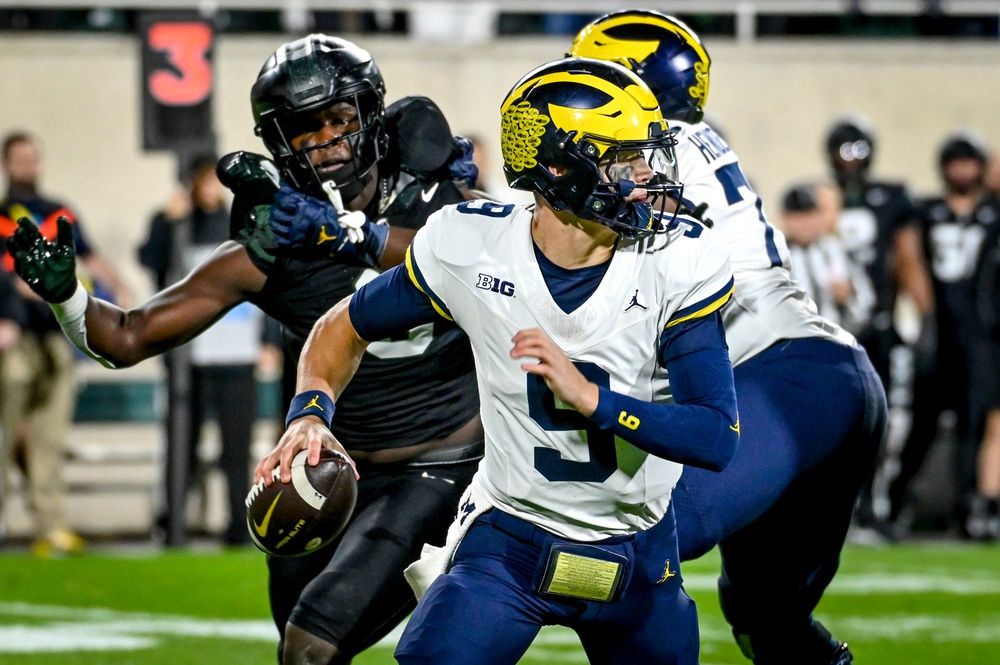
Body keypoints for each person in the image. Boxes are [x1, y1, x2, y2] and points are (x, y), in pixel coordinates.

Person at [7, 34, 483, 664]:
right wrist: (68, 296)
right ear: (279, 143)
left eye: (339, 119)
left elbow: (471, 259)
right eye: (304, 129)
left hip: (442, 463)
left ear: (371, 116)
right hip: (327, 470)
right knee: (301, 648)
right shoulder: (273, 242)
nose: (328, 141)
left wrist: (352, 236)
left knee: (310, 648)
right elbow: (126, 337)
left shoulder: (443, 203)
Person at [255, 56, 740, 665]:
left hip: (637, 555)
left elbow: (716, 436)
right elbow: (343, 324)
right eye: (623, 159)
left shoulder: (679, 259)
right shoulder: (471, 247)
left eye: (646, 156)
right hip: (509, 542)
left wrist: (596, 401)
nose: (645, 177)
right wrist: (309, 413)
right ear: (558, 167)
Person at [570, 12, 887, 664]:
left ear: (630, 83)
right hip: (822, 380)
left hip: (784, 377)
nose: (571, 101)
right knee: (764, 617)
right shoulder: (691, 145)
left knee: (637, 541)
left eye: (590, 83)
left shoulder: (652, 156)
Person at [0, 130, 132, 557]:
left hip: (55, 336)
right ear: (7, 164)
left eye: (32, 159)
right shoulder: (2, 215)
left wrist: (120, 286)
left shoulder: (59, 212)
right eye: (20, 159)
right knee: (4, 435)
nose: (27, 166)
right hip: (12, 340)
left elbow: (89, 254)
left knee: (49, 436)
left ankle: (50, 524)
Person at [138, 153, 264, 545]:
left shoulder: (241, 223)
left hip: (236, 354)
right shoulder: (175, 225)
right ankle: (173, 521)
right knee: (182, 447)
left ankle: (238, 527)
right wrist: (169, 222)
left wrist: (268, 342)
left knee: (235, 448)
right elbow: (150, 262)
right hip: (187, 357)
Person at [888, 131, 1000, 539]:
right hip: (940, 326)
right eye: (955, 163)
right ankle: (896, 503)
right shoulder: (927, 211)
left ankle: (968, 509)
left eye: (969, 162)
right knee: (923, 424)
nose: (961, 171)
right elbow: (908, 256)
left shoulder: (993, 211)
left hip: (982, 334)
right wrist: (925, 314)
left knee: (975, 425)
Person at [781, 182, 875, 333]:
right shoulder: (776, 257)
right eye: (797, 217)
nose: (804, 224)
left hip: (837, 338)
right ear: (785, 219)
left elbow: (866, 299)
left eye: (809, 215)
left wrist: (849, 295)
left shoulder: (838, 250)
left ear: (819, 216)